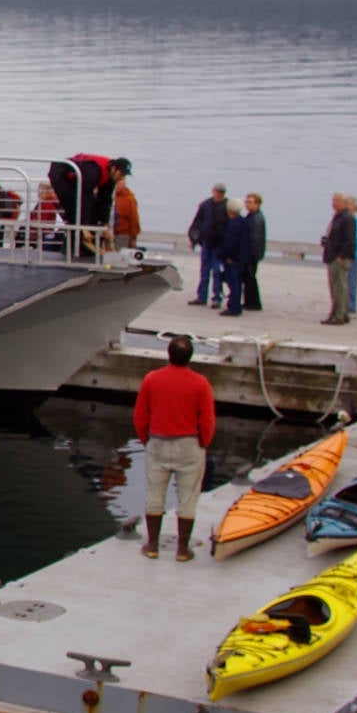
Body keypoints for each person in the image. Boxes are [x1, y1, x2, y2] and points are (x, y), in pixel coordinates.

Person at [133, 333, 217, 559]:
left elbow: (140, 416)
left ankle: (152, 545)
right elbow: (207, 420)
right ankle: (182, 549)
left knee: (154, 494)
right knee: (188, 497)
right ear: (190, 357)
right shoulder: (200, 383)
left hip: (158, 442)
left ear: (168, 354)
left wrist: (146, 440)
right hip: (189, 443)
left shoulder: (151, 379)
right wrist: (204, 443)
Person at [186, 182, 229, 305]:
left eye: (222, 192)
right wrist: (193, 239)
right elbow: (197, 223)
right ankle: (202, 297)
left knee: (216, 272)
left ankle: (216, 298)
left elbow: (231, 227)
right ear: (213, 191)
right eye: (218, 191)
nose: (219, 194)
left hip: (219, 245)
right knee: (204, 271)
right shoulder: (205, 205)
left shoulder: (227, 206)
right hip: (206, 243)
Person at [320, 192, 357, 324]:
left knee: (339, 288)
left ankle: (339, 315)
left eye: (337, 200)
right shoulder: (337, 217)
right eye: (333, 200)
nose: (334, 203)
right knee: (335, 287)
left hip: (339, 258)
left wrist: (342, 256)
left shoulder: (347, 218)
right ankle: (338, 312)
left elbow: (350, 240)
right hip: (332, 255)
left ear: (344, 202)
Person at [214, 198, 251, 315]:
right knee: (238, 284)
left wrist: (222, 255)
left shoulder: (232, 225)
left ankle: (234, 308)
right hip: (242, 258)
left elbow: (229, 243)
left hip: (232, 259)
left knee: (233, 284)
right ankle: (236, 306)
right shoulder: (245, 222)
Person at [239, 192, 268, 311]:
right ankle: (249, 301)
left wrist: (250, 254)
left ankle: (254, 303)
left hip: (252, 254)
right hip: (251, 253)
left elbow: (255, 238)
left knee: (250, 278)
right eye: (246, 202)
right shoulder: (251, 216)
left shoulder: (257, 218)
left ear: (257, 204)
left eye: (250, 202)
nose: (247, 204)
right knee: (248, 278)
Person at [112, 175, 141, 249]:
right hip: (108, 234)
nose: (117, 186)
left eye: (119, 183)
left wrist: (133, 237)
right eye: (115, 183)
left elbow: (134, 219)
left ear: (124, 183)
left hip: (123, 234)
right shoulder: (108, 196)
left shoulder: (129, 199)